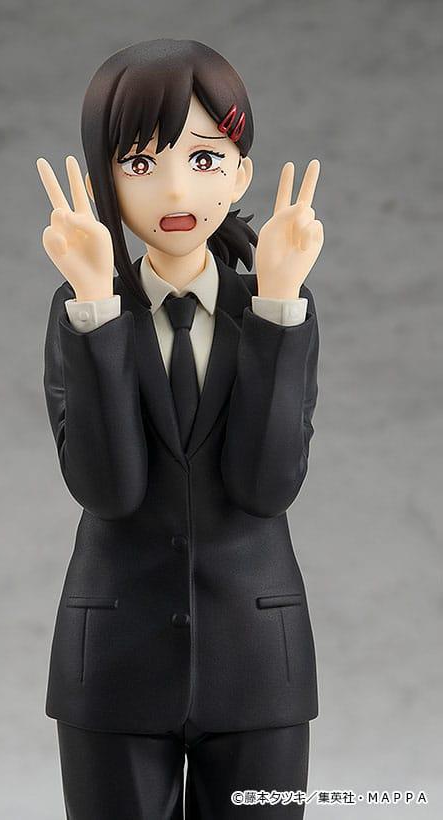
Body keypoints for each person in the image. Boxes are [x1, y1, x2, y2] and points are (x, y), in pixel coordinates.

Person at [37, 38, 324, 819]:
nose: (174, 189)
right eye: (140, 163)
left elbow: (267, 487)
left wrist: (278, 302)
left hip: (260, 664)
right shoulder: (81, 312)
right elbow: (108, 489)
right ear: (105, 182)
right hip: (113, 664)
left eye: (203, 159)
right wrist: (96, 303)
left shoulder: (278, 309)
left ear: (240, 174)